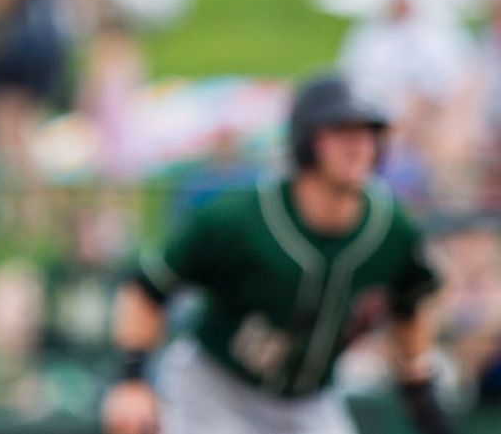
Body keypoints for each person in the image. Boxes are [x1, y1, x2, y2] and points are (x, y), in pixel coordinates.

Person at [101, 72, 454, 434]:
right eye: (341, 132)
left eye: (369, 133)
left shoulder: (392, 230)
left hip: (310, 400)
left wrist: (424, 401)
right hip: (216, 388)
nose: (359, 146)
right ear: (305, 139)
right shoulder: (238, 218)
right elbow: (147, 288)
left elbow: (411, 305)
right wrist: (131, 379)